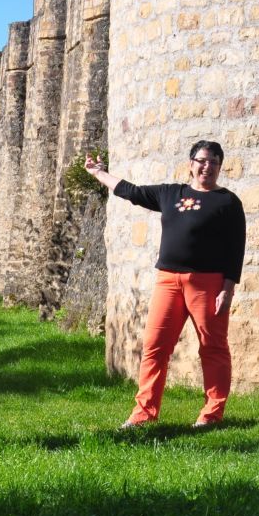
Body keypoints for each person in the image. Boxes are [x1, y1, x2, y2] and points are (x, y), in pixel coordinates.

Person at [85, 141, 245, 428]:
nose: (207, 167)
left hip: (207, 283)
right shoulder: (170, 193)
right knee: (155, 346)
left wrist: (228, 287)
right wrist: (99, 173)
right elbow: (131, 192)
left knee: (213, 347)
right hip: (168, 281)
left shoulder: (228, 202)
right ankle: (144, 413)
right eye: (202, 160)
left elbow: (236, 248)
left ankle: (212, 414)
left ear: (220, 167)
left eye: (214, 162)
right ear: (191, 163)